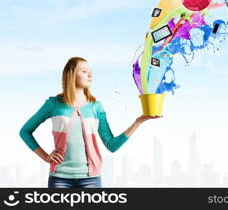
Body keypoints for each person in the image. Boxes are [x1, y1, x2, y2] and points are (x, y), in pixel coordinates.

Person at [19, 56, 161, 188]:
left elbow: (111, 145)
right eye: (84, 71)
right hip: (59, 178)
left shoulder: (96, 106)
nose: (90, 75)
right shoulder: (54, 104)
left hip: (91, 180)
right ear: (71, 74)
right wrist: (45, 156)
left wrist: (138, 122)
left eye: (90, 71)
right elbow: (25, 132)